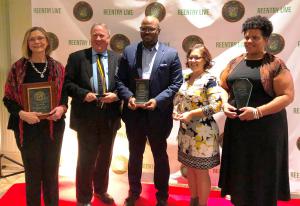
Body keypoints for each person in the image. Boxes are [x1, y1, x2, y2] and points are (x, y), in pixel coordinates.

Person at [218, 15, 294, 206]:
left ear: (266, 40)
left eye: (255, 37)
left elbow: (287, 95)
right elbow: (222, 86)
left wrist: (258, 111)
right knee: (239, 174)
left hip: (265, 130)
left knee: (262, 178)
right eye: (247, 37)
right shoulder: (235, 62)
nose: (249, 41)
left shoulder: (275, 64)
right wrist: (224, 103)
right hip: (238, 130)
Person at [115, 16, 183, 206]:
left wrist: (157, 100)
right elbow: (119, 80)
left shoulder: (170, 54)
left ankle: (162, 196)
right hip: (134, 114)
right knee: (134, 155)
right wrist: (129, 97)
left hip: (158, 115)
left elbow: (176, 83)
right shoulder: (129, 51)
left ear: (158, 30)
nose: (146, 32)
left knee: (160, 156)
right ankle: (134, 192)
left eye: (150, 29)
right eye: (143, 28)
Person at [3, 26, 67, 206]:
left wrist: (61, 109)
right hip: (26, 128)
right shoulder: (17, 68)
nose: (37, 42)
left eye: (41, 38)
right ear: (27, 43)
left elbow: (63, 96)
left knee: (51, 172)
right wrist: (23, 114)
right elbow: (7, 99)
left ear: (47, 42)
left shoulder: (58, 68)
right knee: (32, 172)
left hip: (52, 128)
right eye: (32, 39)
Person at [64, 23, 121, 206]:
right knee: (85, 160)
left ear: (108, 38)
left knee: (105, 158)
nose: (98, 39)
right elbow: (67, 84)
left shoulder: (118, 59)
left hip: (109, 118)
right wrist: (83, 94)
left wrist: (117, 95)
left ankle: (101, 190)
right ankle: (83, 198)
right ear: (90, 36)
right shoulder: (77, 57)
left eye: (102, 36)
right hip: (86, 118)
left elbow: (125, 85)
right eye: (95, 35)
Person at [173, 44, 223, 206]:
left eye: (197, 57)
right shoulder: (185, 77)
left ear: (205, 60)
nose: (193, 60)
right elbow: (178, 100)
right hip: (186, 132)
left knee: (201, 172)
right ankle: (193, 202)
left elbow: (216, 105)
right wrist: (175, 110)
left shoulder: (209, 80)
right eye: (191, 57)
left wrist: (191, 114)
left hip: (203, 133)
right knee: (190, 169)